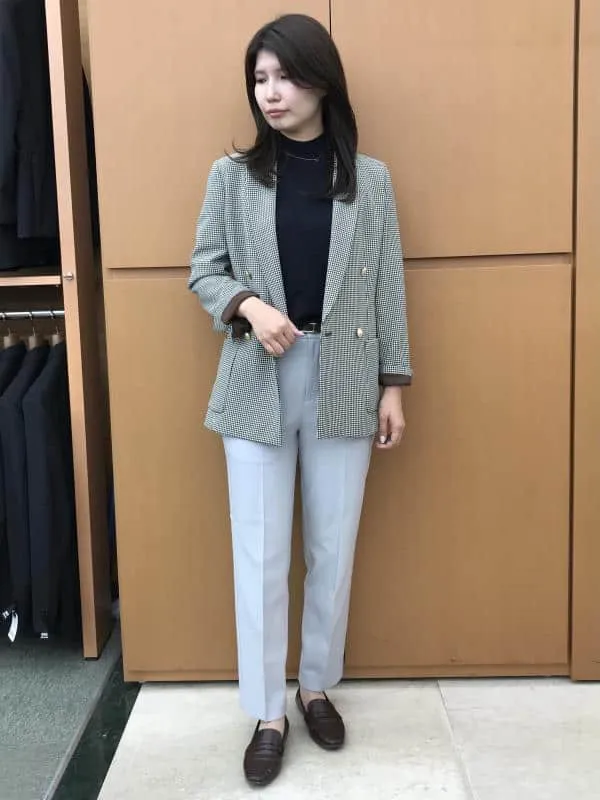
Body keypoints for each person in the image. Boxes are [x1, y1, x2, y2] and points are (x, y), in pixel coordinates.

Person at [188, 12, 411, 788]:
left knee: (332, 546)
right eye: (259, 78)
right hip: (257, 377)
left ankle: (315, 686)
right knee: (259, 549)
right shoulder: (232, 177)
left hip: (345, 375)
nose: (270, 92)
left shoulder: (370, 181)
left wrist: (393, 384)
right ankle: (268, 712)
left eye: (284, 75)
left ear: (322, 81)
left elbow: (388, 289)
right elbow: (203, 270)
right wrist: (249, 305)